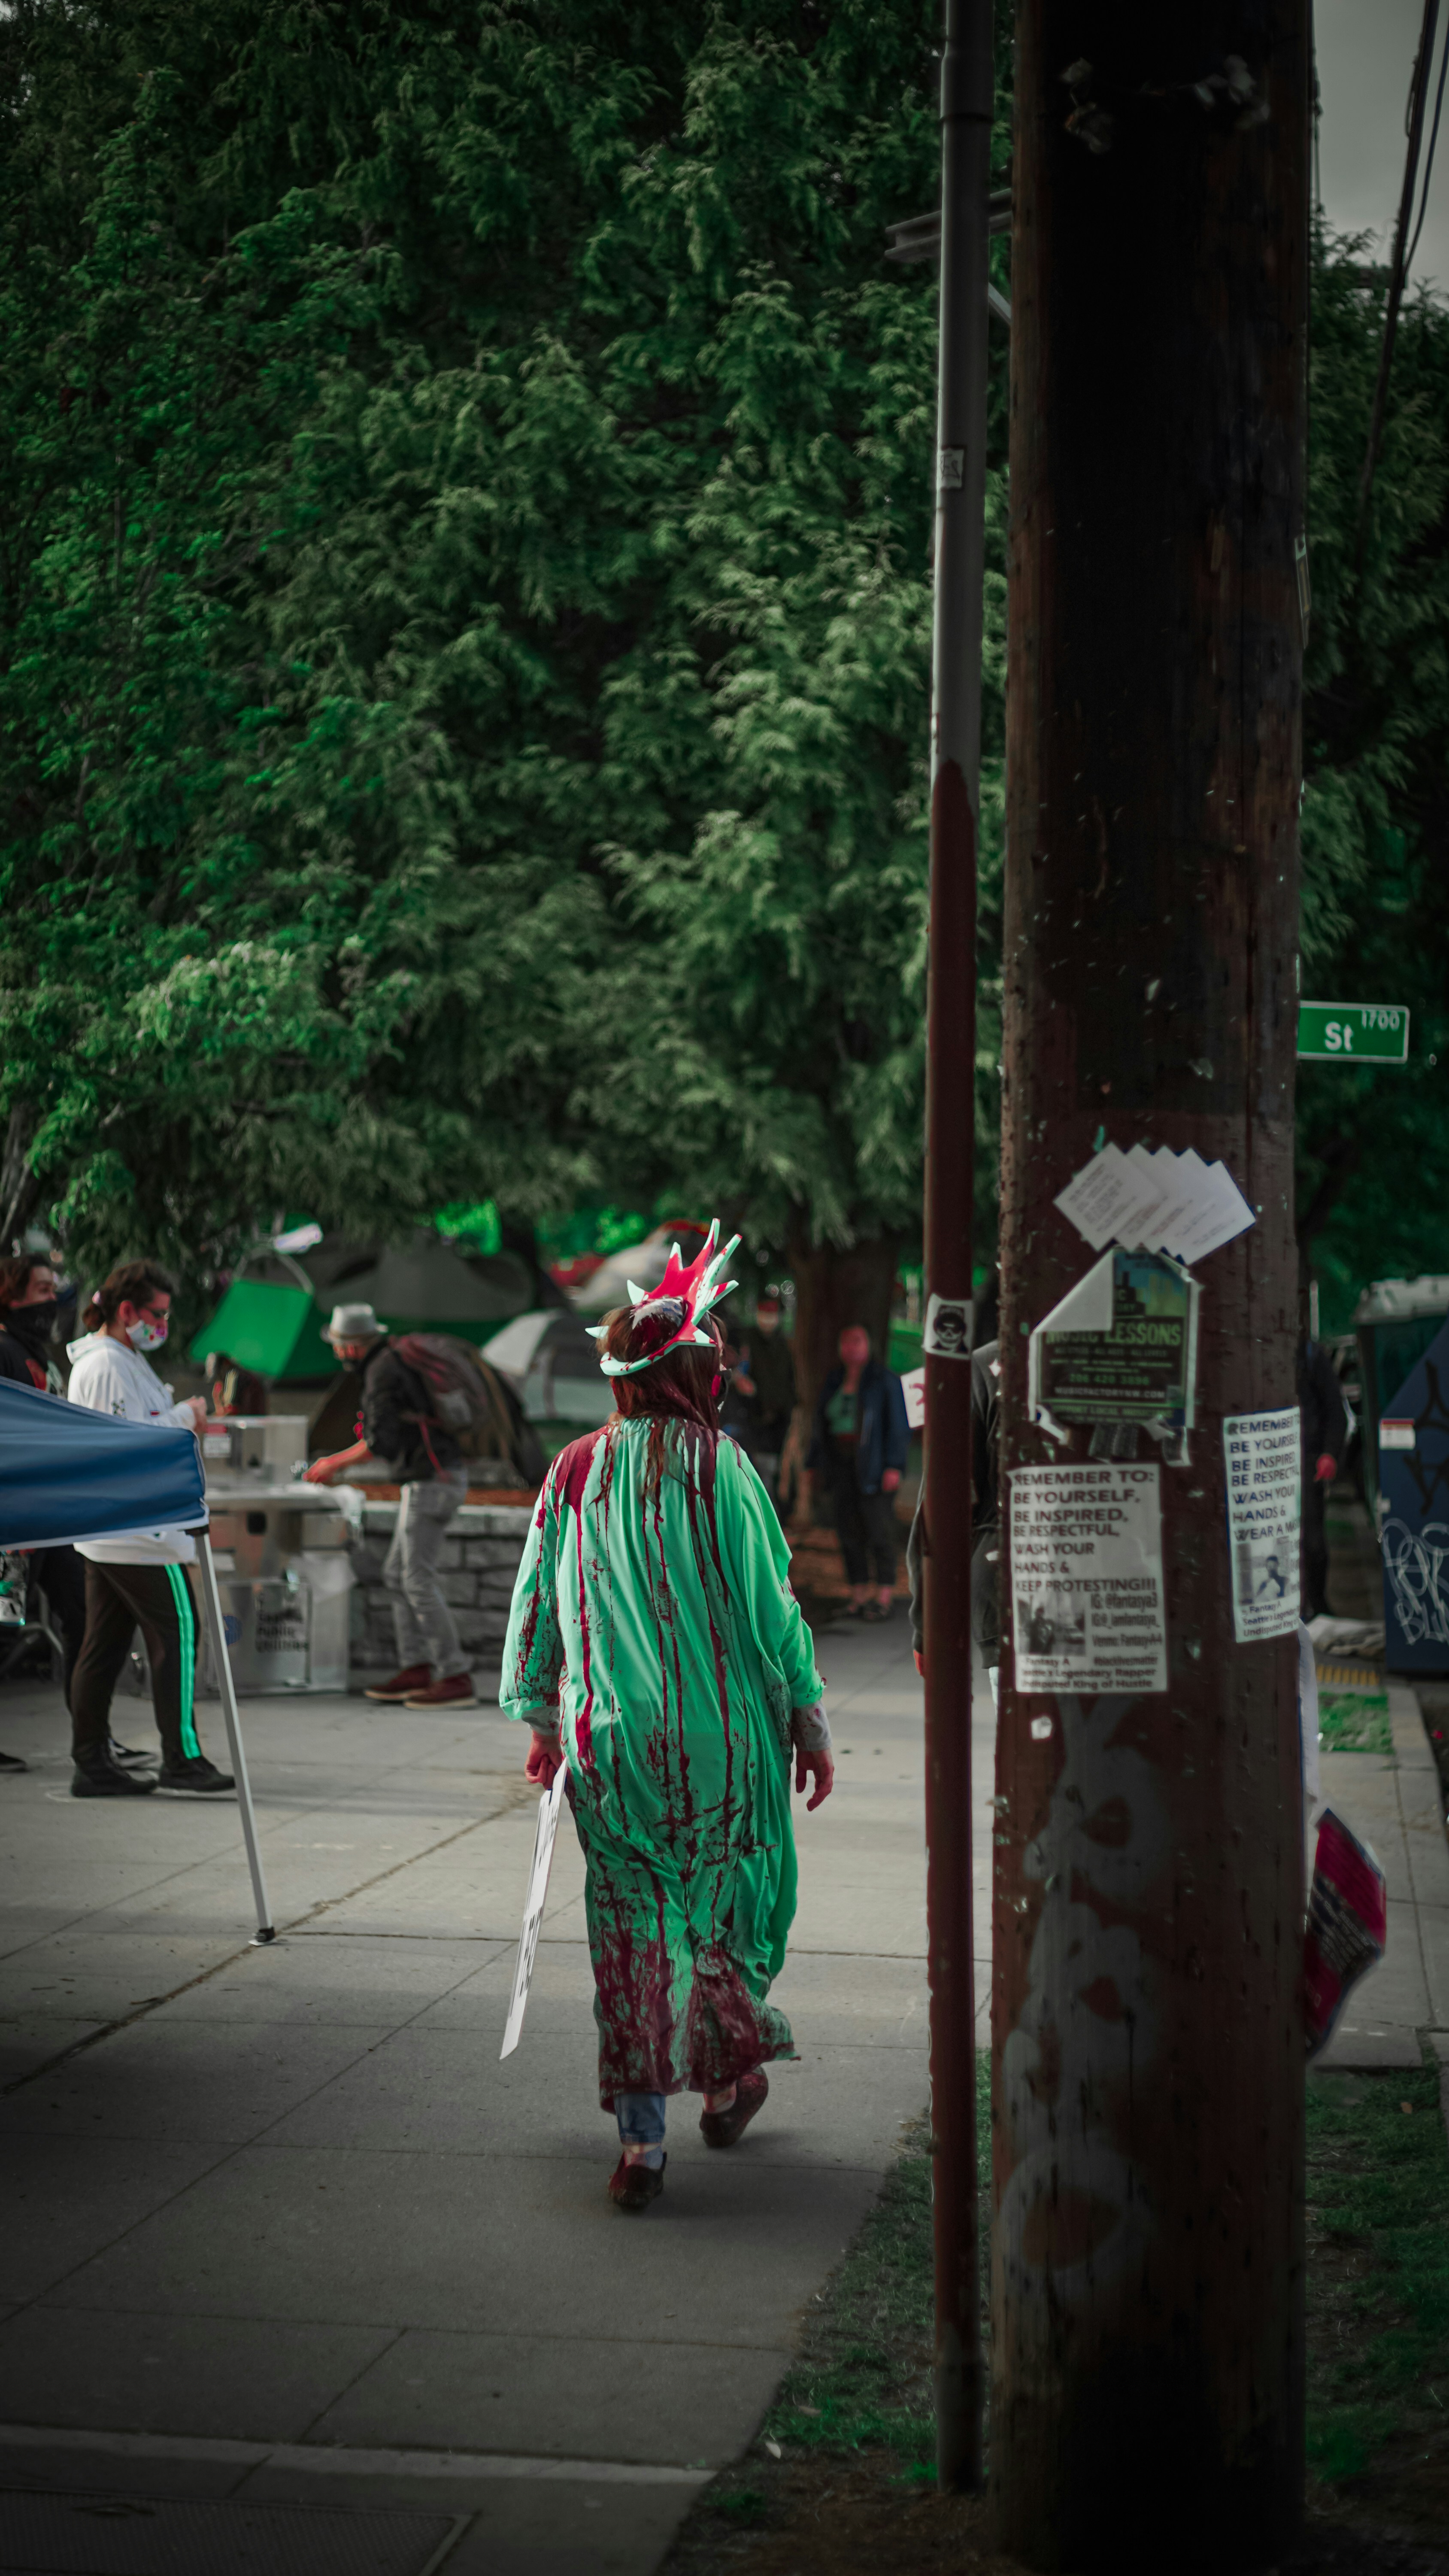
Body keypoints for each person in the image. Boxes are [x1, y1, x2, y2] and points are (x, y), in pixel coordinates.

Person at [500, 1222, 833, 2212]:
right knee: (717, 1923)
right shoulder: (722, 1468)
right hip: (722, 1748)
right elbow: (773, 1609)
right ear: (694, 1374)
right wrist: (810, 1720)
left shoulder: (572, 1470)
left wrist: (542, 1722)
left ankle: (641, 2147)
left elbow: (537, 1606)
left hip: (610, 1747)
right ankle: (725, 2087)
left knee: (632, 1936)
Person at [66, 1261, 234, 1798]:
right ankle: (180, 1760)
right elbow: (126, 1443)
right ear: (126, 1311)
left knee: (104, 1647)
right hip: (139, 1535)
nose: (163, 1324)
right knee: (178, 1637)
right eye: (157, 1315)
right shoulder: (107, 1365)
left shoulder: (119, 1359)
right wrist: (185, 1415)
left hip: (122, 1530)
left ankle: (93, 1762)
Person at [304, 1302, 476, 1710]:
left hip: (432, 1482)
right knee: (396, 1574)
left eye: (338, 1345)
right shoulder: (392, 1360)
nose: (337, 1353)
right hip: (434, 1478)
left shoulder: (382, 1372)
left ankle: (455, 1675)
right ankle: (416, 1667)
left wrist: (332, 1464)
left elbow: (381, 1442)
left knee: (415, 1579)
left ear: (351, 1346)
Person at [0, 1252, 98, 1771]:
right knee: (3, 1627)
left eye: (53, 1289)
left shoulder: (43, 1356)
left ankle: (92, 1738)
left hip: (51, 1518)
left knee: (83, 1614)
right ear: (11, 1296)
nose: (52, 1299)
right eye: (41, 1289)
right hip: (14, 1522)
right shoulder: (3, 1352)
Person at [906, 1337, 1001, 1700]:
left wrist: (927, 1626)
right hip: (1129, 1598)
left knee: (1025, 1730)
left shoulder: (989, 1365)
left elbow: (943, 1504)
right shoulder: (1133, 1361)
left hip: (1009, 1592)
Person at [806, 1324, 909, 1619]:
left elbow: (899, 1426)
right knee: (848, 1531)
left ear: (868, 1345)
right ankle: (858, 1595)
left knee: (879, 1529)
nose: (851, 1347)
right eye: (846, 1342)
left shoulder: (884, 1380)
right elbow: (820, 1425)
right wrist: (814, 1463)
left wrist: (894, 1465)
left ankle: (884, 1594)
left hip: (874, 1466)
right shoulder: (834, 1379)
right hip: (841, 1463)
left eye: (857, 1341)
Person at [1299, 1330, 1349, 1619]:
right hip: (1275, 1463)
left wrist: (1329, 1453)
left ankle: (1318, 1606)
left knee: (1313, 1542)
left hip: (1308, 1463)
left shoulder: (1312, 1356)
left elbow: (1336, 1411)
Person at [733, 1288, 797, 1509]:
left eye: (772, 1312)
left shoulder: (785, 1346)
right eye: (764, 1311)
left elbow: (788, 1385)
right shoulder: (746, 1340)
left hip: (778, 1422)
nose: (767, 1317)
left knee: (772, 1473)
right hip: (749, 1419)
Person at [206, 1351, 269, 1417]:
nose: (220, 1379)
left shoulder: (235, 1376)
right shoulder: (221, 1384)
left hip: (249, 1419)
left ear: (226, 1364)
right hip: (248, 1418)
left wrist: (215, 1418)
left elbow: (233, 1410)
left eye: (219, 1375)